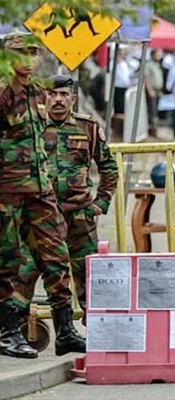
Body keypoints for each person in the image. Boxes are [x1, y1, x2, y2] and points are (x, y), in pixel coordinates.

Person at [0, 32, 85, 358]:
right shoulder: (4, 92)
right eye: (21, 53)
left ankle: (65, 331)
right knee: (8, 262)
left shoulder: (39, 92)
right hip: (8, 191)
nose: (29, 59)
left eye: (34, 53)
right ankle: (9, 333)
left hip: (41, 190)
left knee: (56, 257)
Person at [15, 75, 118, 325]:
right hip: (42, 216)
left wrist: (100, 203)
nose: (58, 100)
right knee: (26, 272)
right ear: (44, 98)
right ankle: (13, 329)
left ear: (73, 98)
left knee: (88, 273)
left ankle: (98, 328)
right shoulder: (31, 127)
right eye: (52, 94)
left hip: (80, 215)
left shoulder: (88, 128)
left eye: (63, 95)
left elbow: (109, 168)